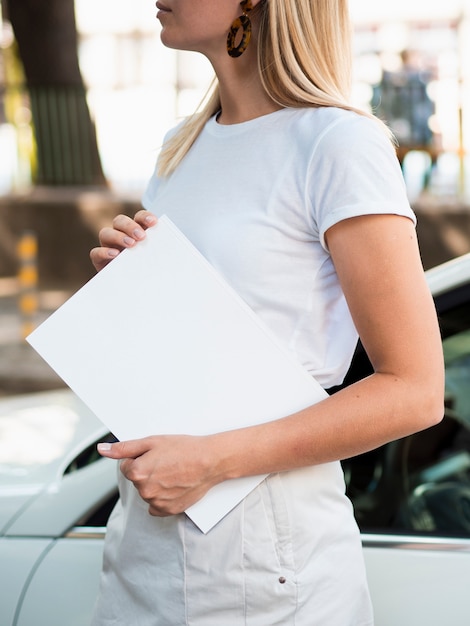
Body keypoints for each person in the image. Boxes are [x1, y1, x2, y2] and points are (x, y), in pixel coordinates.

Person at [89, 1, 444, 624]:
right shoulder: (182, 145)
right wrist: (131, 289)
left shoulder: (339, 143)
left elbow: (415, 391)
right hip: (143, 543)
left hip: (265, 556)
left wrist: (212, 461)